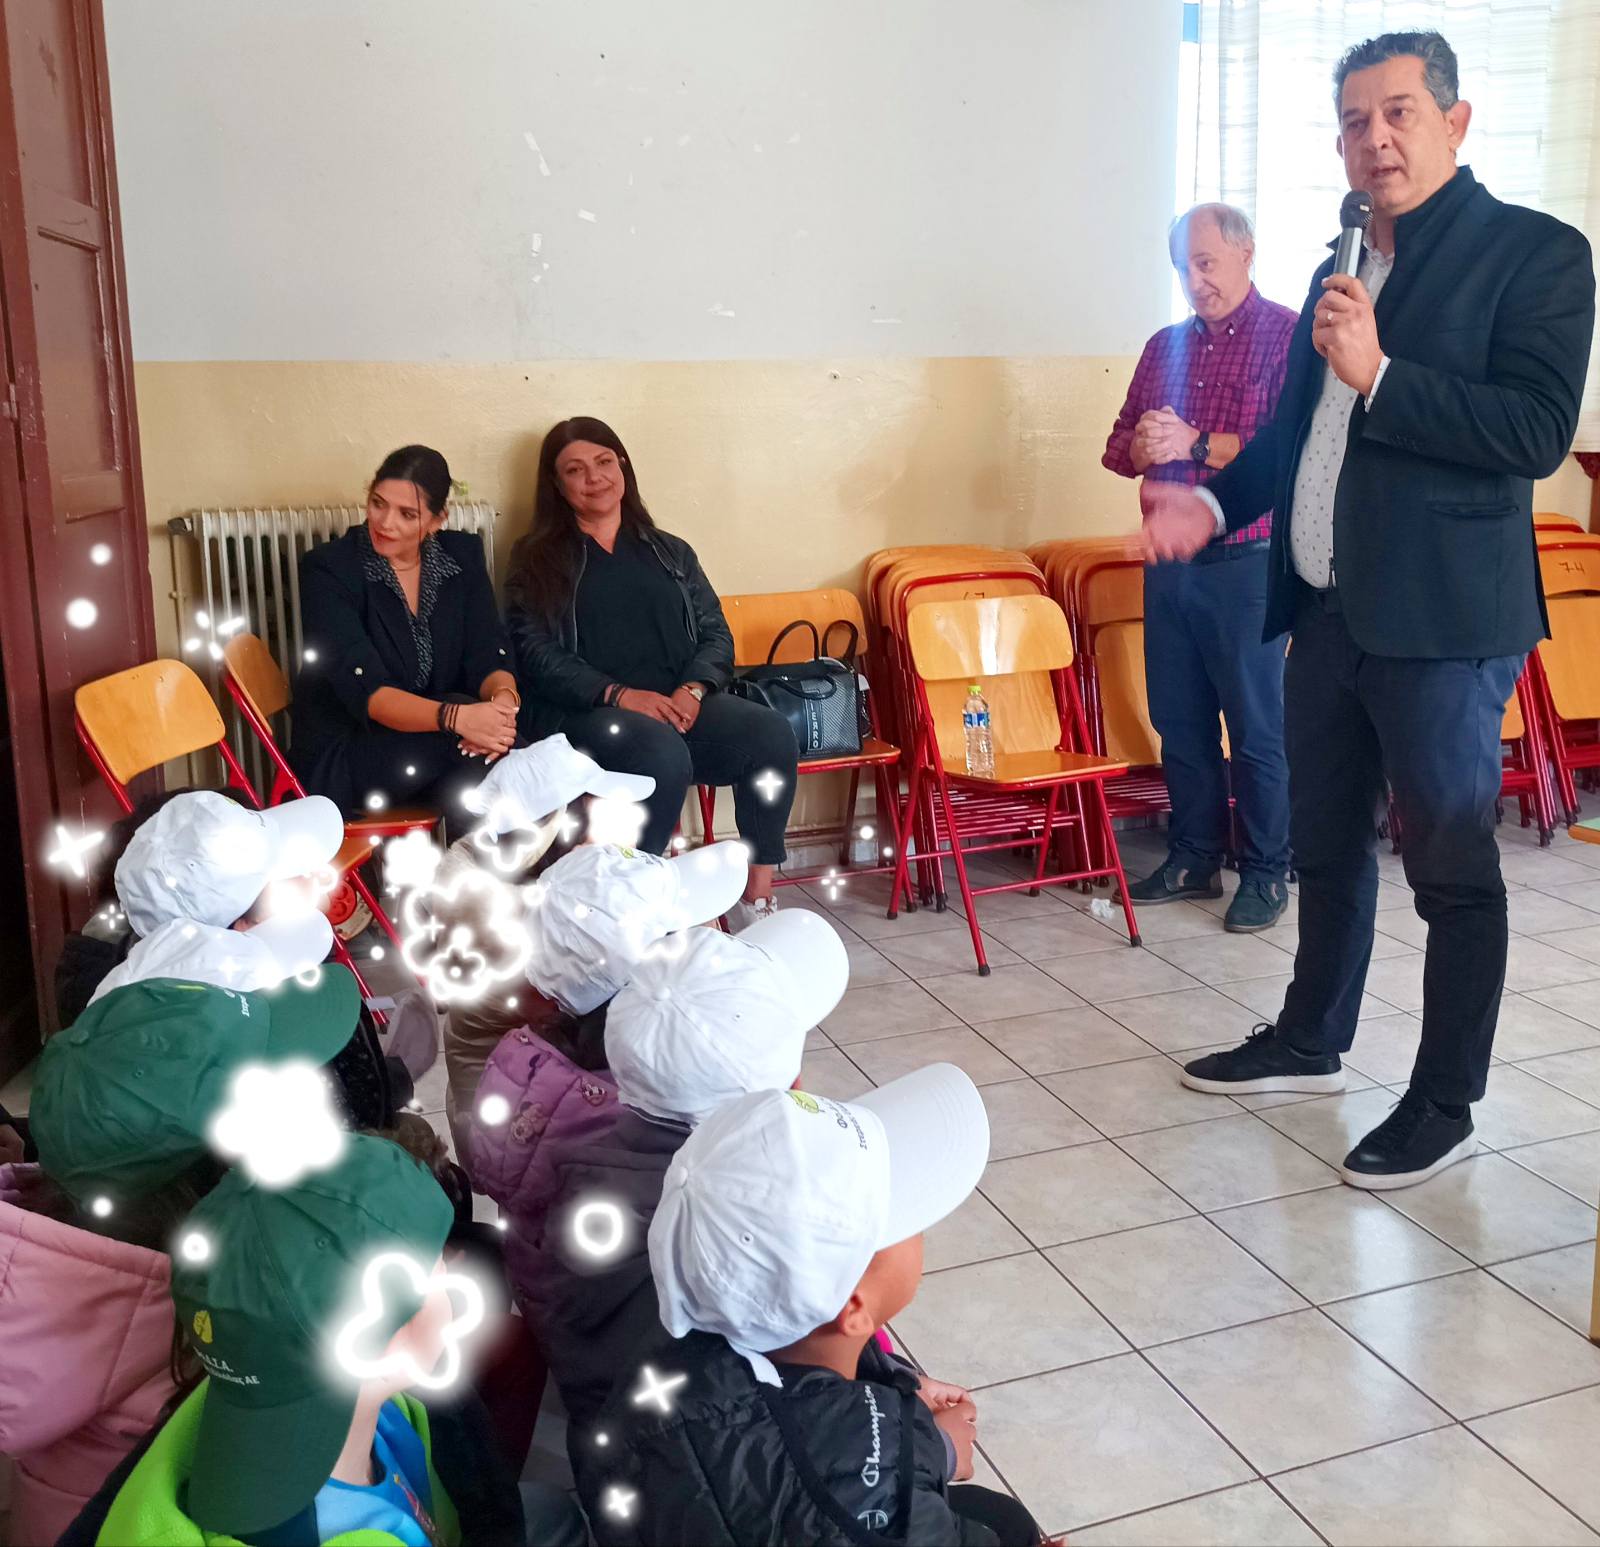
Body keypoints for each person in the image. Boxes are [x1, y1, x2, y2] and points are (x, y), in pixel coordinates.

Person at [1141, 32, 1596, 1186]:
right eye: (1354, 120)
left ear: (1456, 120)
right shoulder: (1341, 266)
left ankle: (1444, 1101)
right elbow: (1299, 434)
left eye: (1398, 112)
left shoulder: (1534, 254)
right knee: (1325, 843)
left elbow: (1534, 432)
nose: (1374, 138)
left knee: (1449, 869)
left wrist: (1381, 373)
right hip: (1326, 611)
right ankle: (1310, 1039)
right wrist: (1210, 501)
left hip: (1442, 624)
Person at [591, 1066, 1048, 1547]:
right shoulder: (866, 1508)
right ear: (854, 1307)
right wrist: (930, 1450)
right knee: (1011, 1528)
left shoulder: (693, 1326)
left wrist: (901, 1393)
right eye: (905, 1220)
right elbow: (856, 1501)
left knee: (1001, 1516)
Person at [79, 1133, 582, 1546]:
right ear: (387, 1336)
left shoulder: (262, 1386)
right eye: (439, 1262)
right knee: (556, 1514)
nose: (452, 1270)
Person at [495, 908, 850, 1444]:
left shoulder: (586, 1150)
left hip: (596, 1400)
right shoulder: (730, 1229)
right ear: (785, 1092)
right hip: (660, 1437)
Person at [504, 417, 798, 921]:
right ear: (556, 484)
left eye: (604, 462)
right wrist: (619, 695)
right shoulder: (535, 559)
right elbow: (533, 651)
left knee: (770, 735)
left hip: (676, 702)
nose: (594, 477)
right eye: (575, 469)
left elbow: (716, 634)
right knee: (660, 754)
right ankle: (632, 907)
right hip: (588, 712)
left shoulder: (670, 551)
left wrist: (694, 688)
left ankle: (756, 895)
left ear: (623, 466)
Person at [1104, 204, 1298, 931]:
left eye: (1207, 263)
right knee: (1178, 720)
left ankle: (1266, 871)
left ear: (1247, 253)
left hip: (1248, 563)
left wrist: (1195, 439)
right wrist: (1145, 447)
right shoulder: (1164, 347)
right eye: (1183, 268)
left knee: (1255, 726)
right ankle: (1193, 857)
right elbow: (1118, 448)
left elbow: (1291, 451)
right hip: (1169, 565)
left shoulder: (1288, 337)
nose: (1194, 280)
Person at [293, 445, 521, 818]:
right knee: (481, 752)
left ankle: (483, 847)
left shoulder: (460, 556)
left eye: (407, 514)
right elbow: (371, 696)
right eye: (378, 503)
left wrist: (503, 709)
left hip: (432, 745)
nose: (385, 522)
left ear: (437, 520)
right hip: (350, 752)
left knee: (477, 763)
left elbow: (488, 650)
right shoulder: (329, 569)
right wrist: (459, 719)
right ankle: (558, 815)